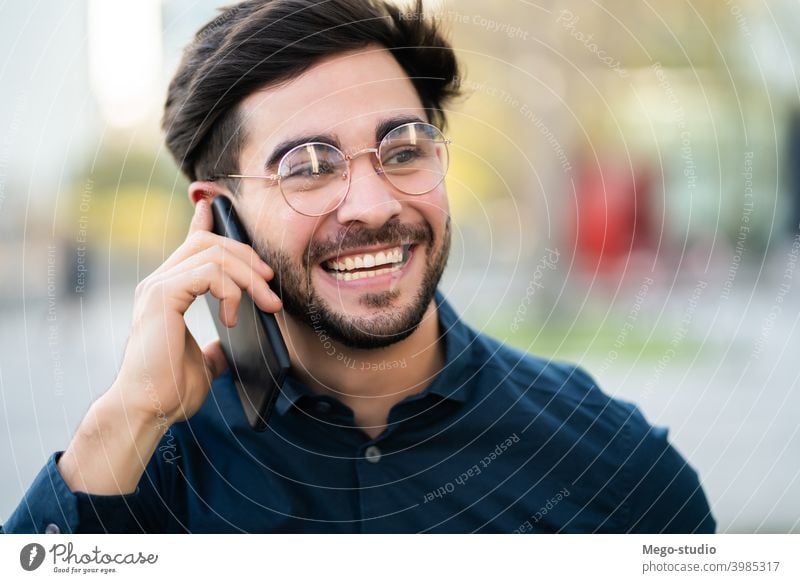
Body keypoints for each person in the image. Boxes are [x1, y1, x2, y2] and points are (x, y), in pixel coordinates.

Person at [1, 0, 715, 533]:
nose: (372, 205)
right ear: (219, 214)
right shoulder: (139, 479)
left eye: (403, 149)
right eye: (307, 166)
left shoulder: (613, 464)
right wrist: (124, 420)